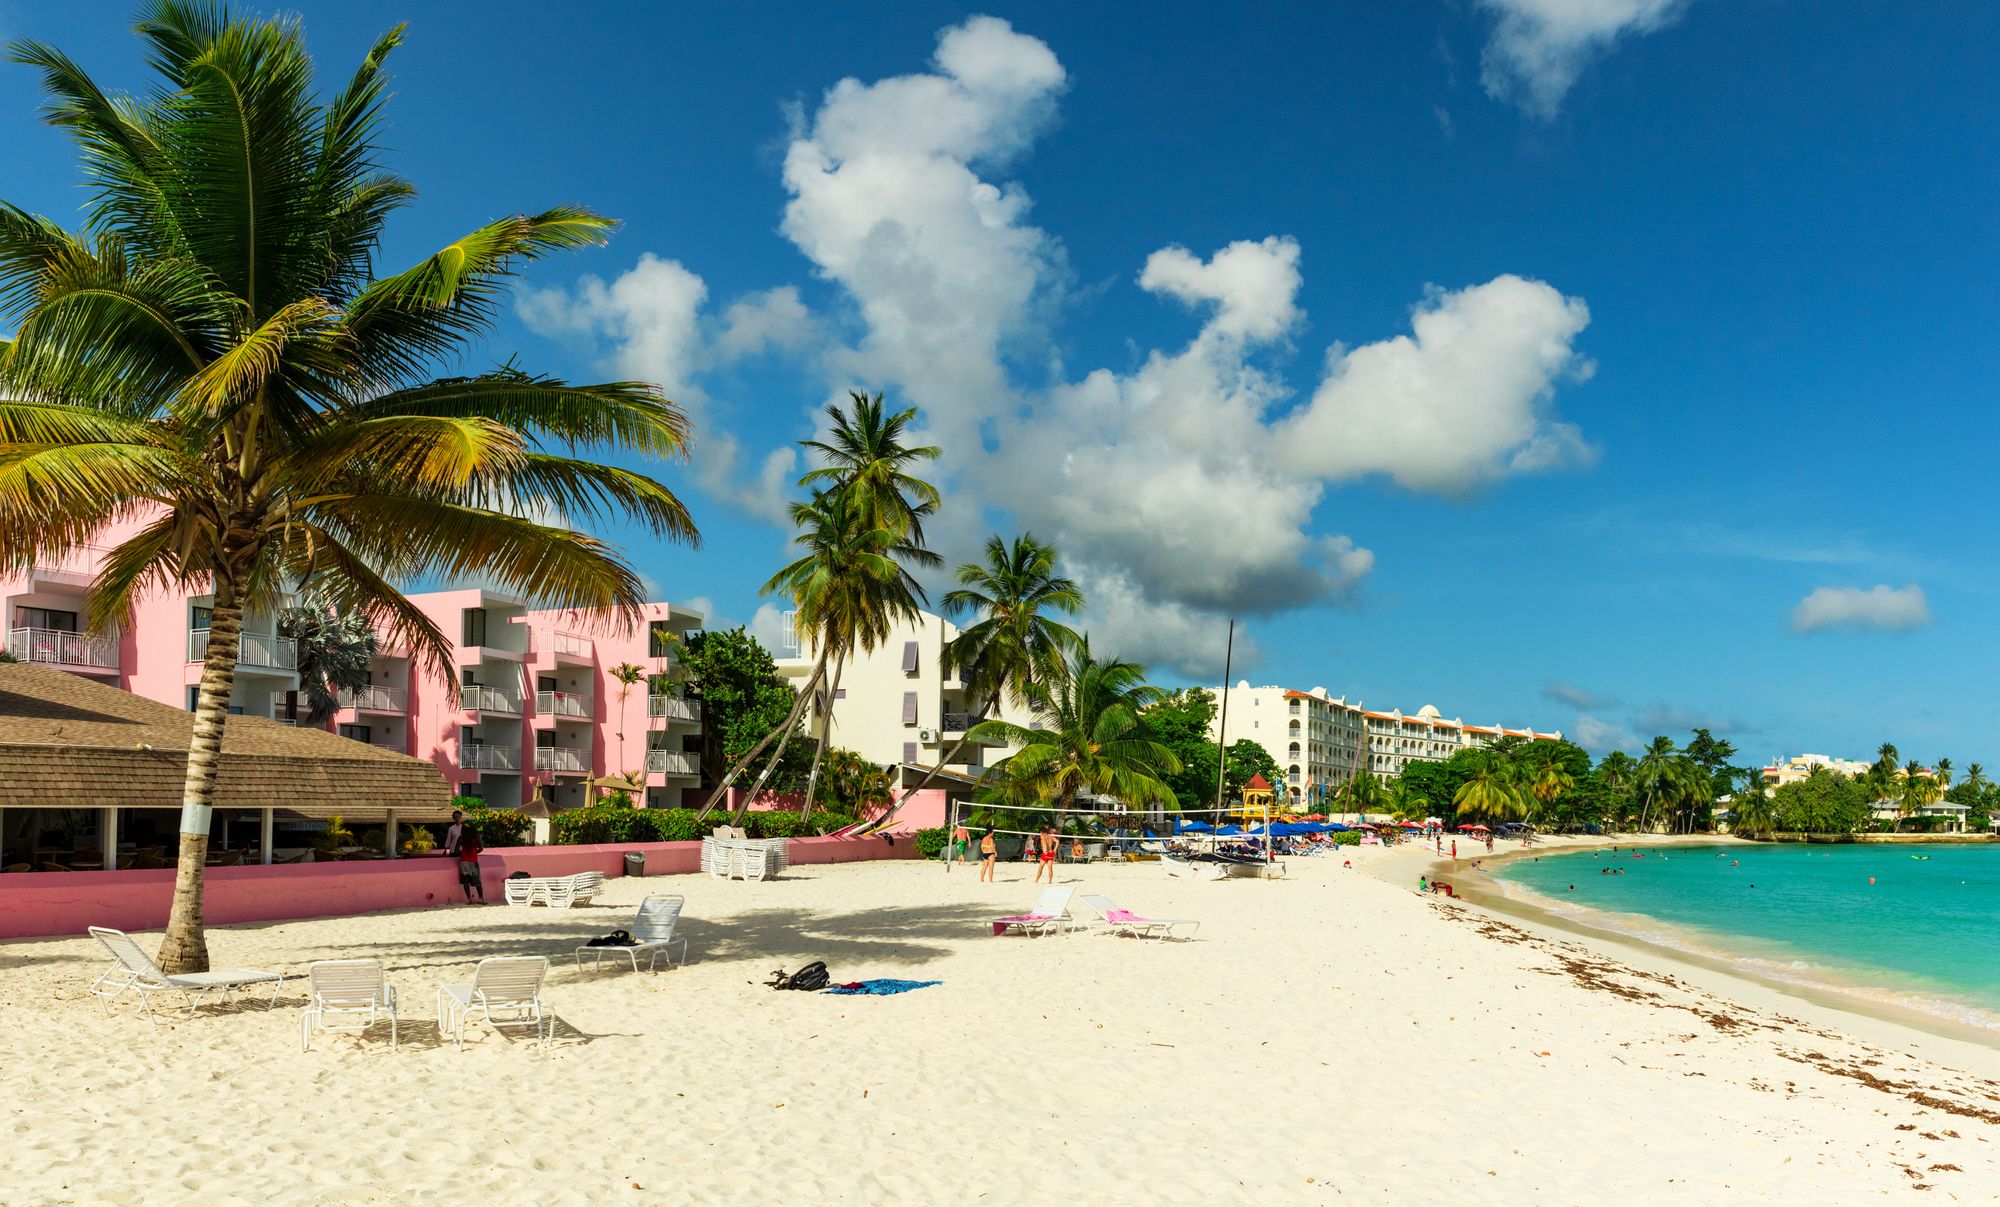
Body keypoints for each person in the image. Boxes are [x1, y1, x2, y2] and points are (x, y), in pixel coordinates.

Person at [455, 822, 484, 904]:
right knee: (477, 881)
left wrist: (463, 853)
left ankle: (469, 899)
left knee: (466, 882)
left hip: (463, 862)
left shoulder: (461, 837)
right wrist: (475, 852)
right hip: (473, 861)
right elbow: (481, 848)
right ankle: (481, 899)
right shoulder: (476, 837)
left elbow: (456, 851)